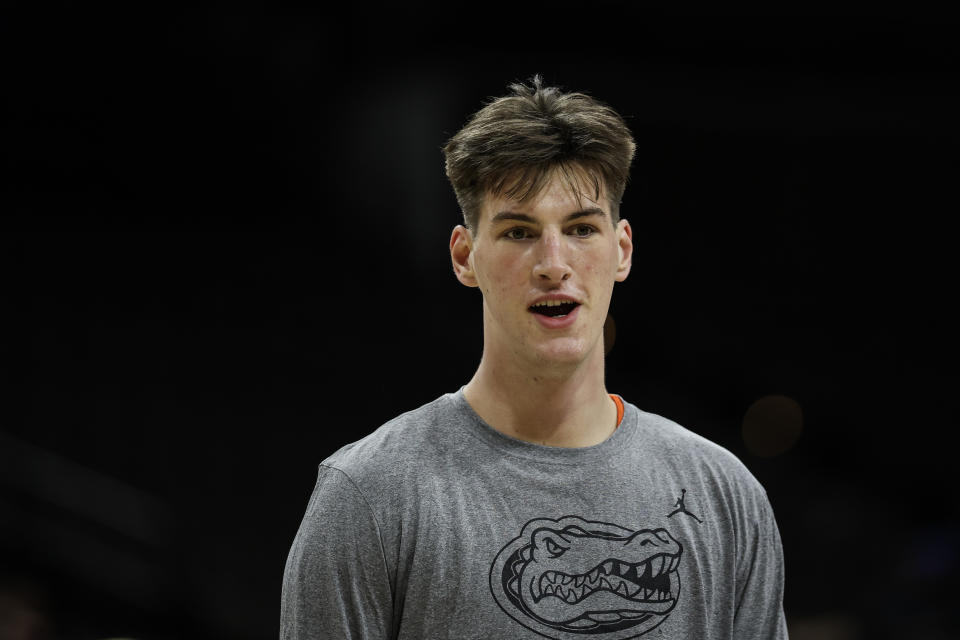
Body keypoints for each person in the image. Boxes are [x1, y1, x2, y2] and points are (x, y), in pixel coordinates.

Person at [280, 75, 788, 639]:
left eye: (580, 229)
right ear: (465, 256)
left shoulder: (725, 495)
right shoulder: (370, 495)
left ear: (621, 250)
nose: (553, 262)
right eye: (520, 231)